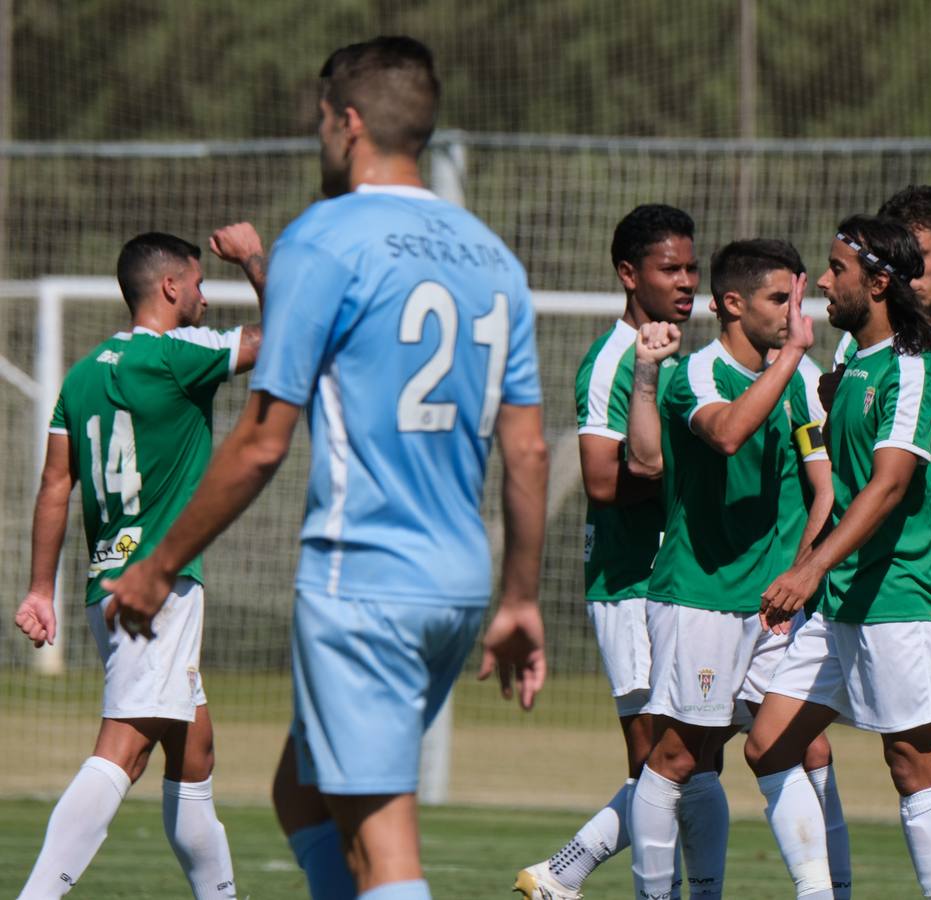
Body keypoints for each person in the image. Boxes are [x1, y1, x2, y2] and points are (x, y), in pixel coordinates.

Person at [101, 36, 550, 900]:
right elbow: (526, 448)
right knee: (299, 790)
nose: (318, 135)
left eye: (319, 120)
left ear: (348, 124)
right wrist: (521, 596)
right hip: (457, 584)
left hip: (363, 579)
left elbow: (265, 438)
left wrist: (157, 565)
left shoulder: (327, 236)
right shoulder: (495, 257)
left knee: (387, 848)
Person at [14, 224, 265, 899]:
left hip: (107, 585)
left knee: (195, 751)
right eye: (201, 283)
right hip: (160, 587)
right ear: (171, 286)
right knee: (123, 749)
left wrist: (41, 588)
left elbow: (55, 484)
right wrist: (251, 260)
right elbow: (287, 346)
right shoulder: (180, 354)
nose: (207, 299)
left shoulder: (83, 372)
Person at [745, 217, 931, 899]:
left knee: (912, 766)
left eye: (836, 270)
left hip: (902, 595)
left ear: (877, 282)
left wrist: (807, 567)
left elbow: (890, 483)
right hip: (841, 601)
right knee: (768, 745)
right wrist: (812, 570)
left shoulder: (913, 365)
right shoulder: (848, 365)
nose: (824, 282)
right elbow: (837, 491)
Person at [625, 239, 834, 899]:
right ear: (734, 304)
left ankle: (823, 891)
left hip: (772, 605)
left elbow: (824, 483)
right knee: (681, 758)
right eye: (781, 300)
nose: (795, 314)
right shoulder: (696, 375)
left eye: (800, 299)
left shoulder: (798, 383)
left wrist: (803, 572)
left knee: (800, 748)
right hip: (699, 596)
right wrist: (795, 356)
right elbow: (727, 433)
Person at [514, 203, 699, 900]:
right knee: (661, 767)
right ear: (629, 274)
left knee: (691, 758)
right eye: (669, 268)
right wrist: (680, 476)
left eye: (691, 266)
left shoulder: (672, 353)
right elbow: (599, 478)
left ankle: (562, 875)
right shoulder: (612, 363)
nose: (686, 281)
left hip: (680, 583)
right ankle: (581, 877)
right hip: (631, 586)